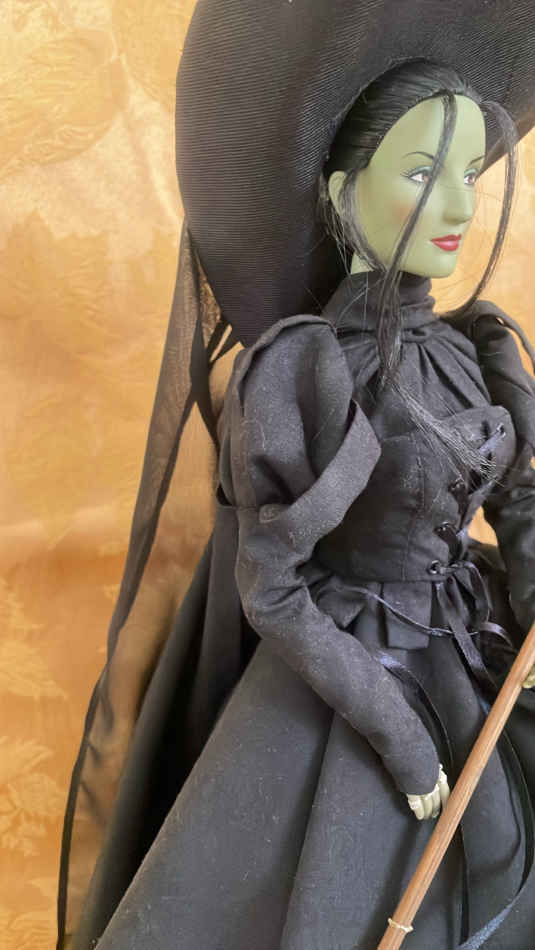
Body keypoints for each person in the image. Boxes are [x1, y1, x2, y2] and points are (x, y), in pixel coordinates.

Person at [56, 6, 535, 949]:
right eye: (421, 173)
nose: (455, 211)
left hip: (473, 646)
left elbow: (517, 492)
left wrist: (528, 584)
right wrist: (393, 727)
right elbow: (273, 586)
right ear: (342, 190)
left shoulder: (474, 347)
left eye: (468, 176)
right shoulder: (307, 373)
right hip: (348, 679)